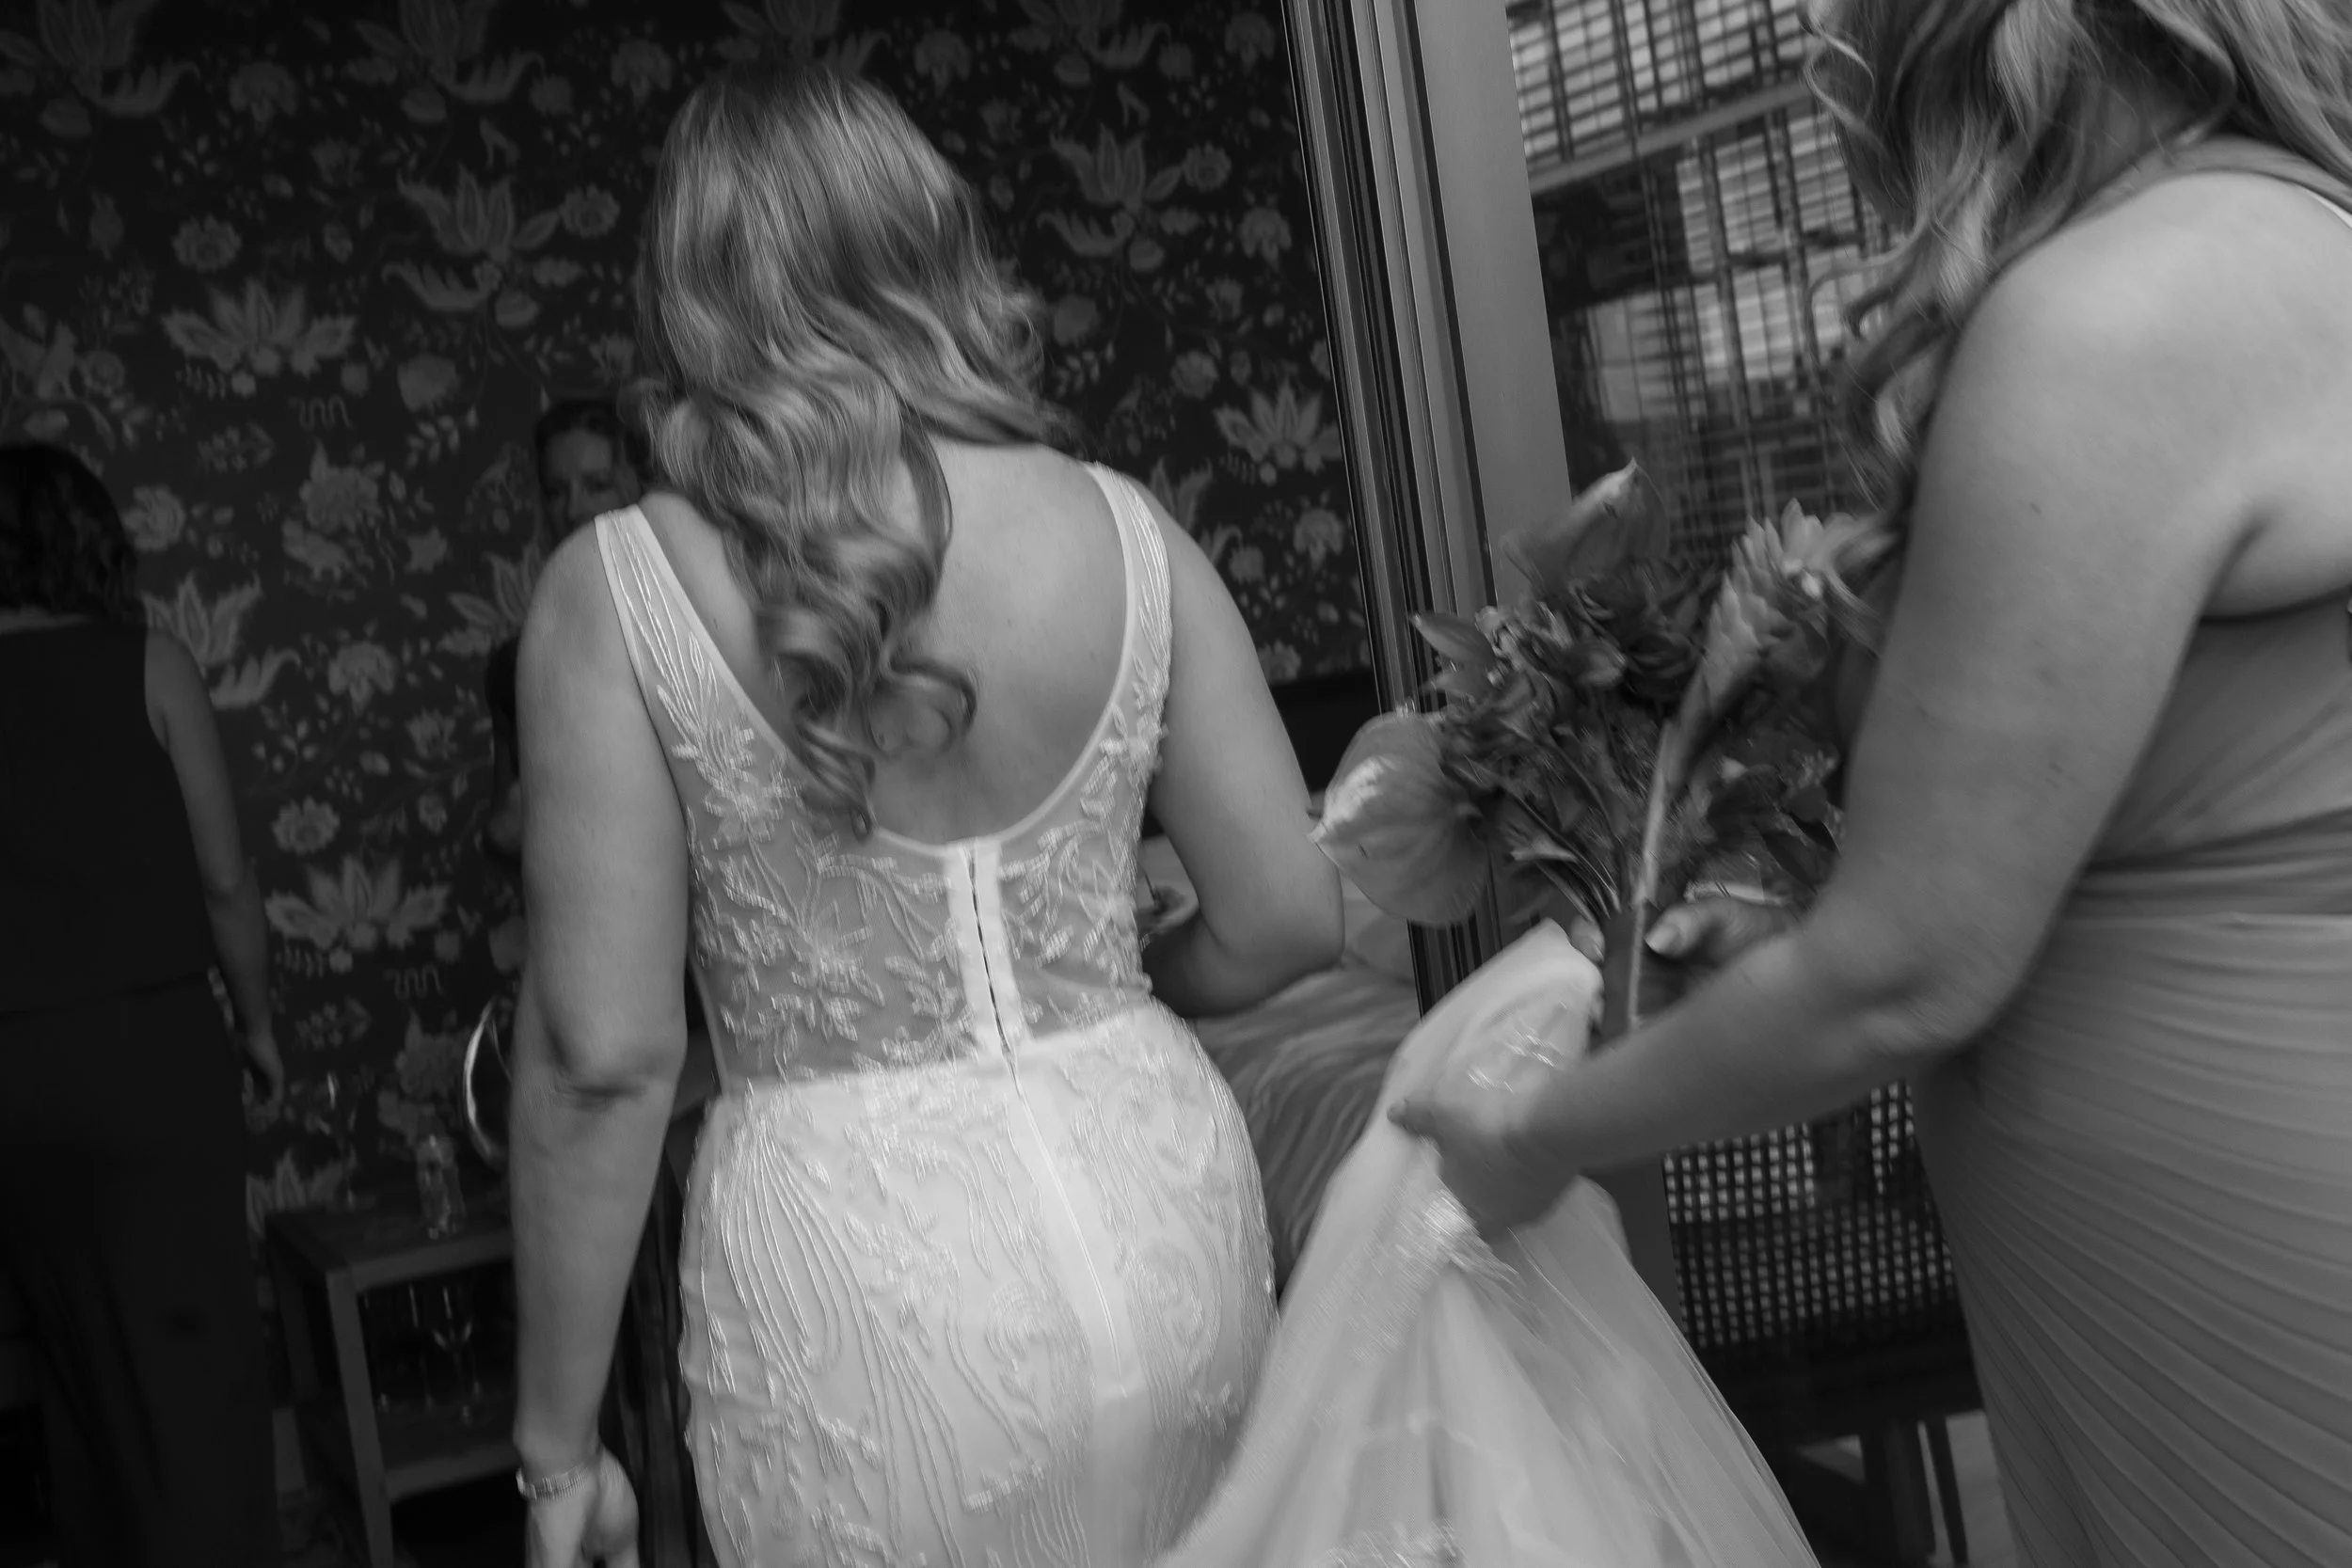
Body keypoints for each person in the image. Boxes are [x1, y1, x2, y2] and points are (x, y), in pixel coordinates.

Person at [1396, 3, 2352, 1564]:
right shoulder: (2296, 226)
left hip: (2244, 1265)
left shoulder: (2113, 316)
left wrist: (1536, 1133)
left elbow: (1905, 972)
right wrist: (1782, 947)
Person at [508, 64, 1343, 1567]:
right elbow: (1290, 913)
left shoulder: (618, 584)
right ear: (934, 247)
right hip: (1164, 1226)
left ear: (690, 298)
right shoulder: (1125, 527)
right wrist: (1117, 983)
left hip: (858, 1288)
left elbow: (602, 1058)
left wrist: (553, 1448)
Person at [0, 443, 284, 1565]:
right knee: (194, 1367)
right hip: (149, 1054)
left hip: (14, 1077)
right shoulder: (147, 661)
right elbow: (226, 880)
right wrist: (257, 1027)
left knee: (80, 1379)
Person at [485, 398, 646, 863]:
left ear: (635, 487)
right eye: (556, 490)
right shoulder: (514, 665)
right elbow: (502, 830)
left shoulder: (686, 632)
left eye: (596, 485)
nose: (574, 508)